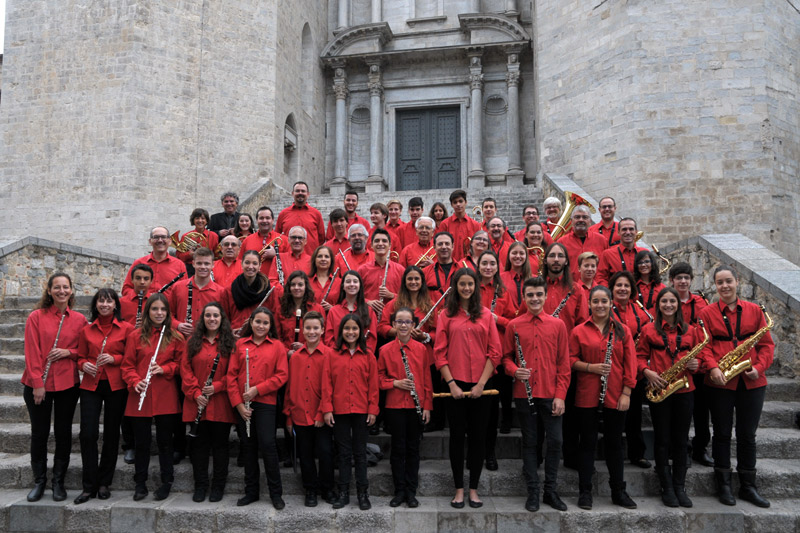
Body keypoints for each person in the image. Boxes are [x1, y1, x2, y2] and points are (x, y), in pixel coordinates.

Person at [699, 266, 774, 508]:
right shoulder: (707, 313)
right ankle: (724, 486)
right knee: (721, 434)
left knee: (747, 436)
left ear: (737, 282)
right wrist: (713, 368)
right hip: (721, 380)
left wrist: (759, 368)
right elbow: (704, 346)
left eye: (728, 281)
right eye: (720, 282)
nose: (725, 286)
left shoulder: (754, 311)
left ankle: (748, 487)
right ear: (715, 285)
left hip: (752, 381)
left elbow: (766, 345)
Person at [433, 268, 502, 509]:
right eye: (462, 284)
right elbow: (439, 353)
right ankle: (458, 489)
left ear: (475, 286)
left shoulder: (485, 314)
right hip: (455, 384)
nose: (466, 288)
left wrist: (481, 384)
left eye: (470, 284)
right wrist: (451, 383)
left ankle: (474, 489)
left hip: (482, 385)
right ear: (455, 286)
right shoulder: (445, 315)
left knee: (478, 437)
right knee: (456, 438)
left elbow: (495, 352)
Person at [502, 277, 570, 512]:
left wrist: (560, 395)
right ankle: (533, 492)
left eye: (539, 294)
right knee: (530, 443)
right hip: (524, 393)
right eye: (530, 295)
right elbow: (506, 357)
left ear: (544, 295)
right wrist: (513, 370)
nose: (534, 299)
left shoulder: (558, 325)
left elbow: (563, 364)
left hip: (551, 393)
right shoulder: (514, 325)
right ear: (524, 297)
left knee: (556, 441)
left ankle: (550, 491)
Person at [570, 285, 638, 510]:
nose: (600, 305)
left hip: (616, 395)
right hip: (587, 396)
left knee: (615, 445)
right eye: (595, 301)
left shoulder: (622, 330)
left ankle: (618, 491)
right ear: (589, 304)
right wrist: (591, 367)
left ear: (611, 303)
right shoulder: (579, 331)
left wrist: (627, 392)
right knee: (587, 443)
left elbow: (631, 364)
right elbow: (570, 360)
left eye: (604, 301)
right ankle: (585, 491)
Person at [22, 273, 87, 502]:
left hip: (68, 384)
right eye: (57, 287)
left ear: (71, 290)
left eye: (65, 287)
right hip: (38, 384)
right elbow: (32, 352)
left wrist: (69, 352)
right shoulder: (36, 317)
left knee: (63, 434)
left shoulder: (79, 320)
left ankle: (58, 482)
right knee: (39, 434)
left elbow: (86, 351)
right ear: (49, 291)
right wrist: (38, 384)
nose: (62, 291)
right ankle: (39, 481)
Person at [638, 288, 701, 508]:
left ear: (678, 304)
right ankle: (666, 486)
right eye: (664, 301)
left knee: (681, 440)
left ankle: (679, 486)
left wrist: (696, 364)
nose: (668, 304)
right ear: (658, 305)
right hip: (661, 390)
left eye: (672, 301)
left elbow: (700, 356)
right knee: (662, 439)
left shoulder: (691, 331)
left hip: (685, 390)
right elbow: (639, 356)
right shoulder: (648, 330)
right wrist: (647, 372)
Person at [121, 293, 183, 501]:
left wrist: (164, 369)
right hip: (141, 394)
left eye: (163, 309)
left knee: (166, 442)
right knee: (142, 443)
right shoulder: (135, 335)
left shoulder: (175, 337)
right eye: (155, 309)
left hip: (165, 394)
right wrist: (134, 381)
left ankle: (167, 482)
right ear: (148, 312)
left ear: (168, 313)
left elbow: (180, 365)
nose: (159, 313)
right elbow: (127, 365)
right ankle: (140, 484)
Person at [74, 288, 134, 504]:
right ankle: (88, 485)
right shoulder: (86, 329)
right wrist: (84, 364)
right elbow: (79, 357)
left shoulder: (126, 328)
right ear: (95, 305)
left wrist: (114, 358)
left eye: (109, 301)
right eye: (101, 301)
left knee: (111, 434)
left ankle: (103, 483)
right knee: (87, 434)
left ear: (116, 305)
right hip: (91, 385)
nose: (105, 305)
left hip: (116, 385)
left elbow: (130, 356)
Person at [226, 306, 289, 509]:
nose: (261, 326)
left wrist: (257, 390)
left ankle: (276, 494)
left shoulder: (278, 346)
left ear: (270, 326)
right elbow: (231, 377)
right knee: (249, 448)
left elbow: (281, 376)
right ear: (251, 323)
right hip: (243, 405)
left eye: (265, 322)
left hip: (266, 404)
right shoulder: (240, 344)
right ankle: (251, 491)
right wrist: (238, 405)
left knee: (268, 447)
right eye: (258, 321)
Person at [322, 314, 380, 510]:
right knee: (344, 453)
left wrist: (373, 409)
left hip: (362, 410)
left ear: (361, 332)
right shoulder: (332, 354)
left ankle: (363, 493)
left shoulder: (369, 355)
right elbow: (327, 383)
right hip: (339, 410)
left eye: (355, 328)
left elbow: (373, 385)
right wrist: (327, 408)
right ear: (341, 332)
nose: (351, 332)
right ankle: (344, 492)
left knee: (360, 454)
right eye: (347, 328)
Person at [377, 307, 433, 508]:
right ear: (393, 325)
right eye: (399, 321)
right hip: (394, 406)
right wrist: (395, 383)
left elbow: (427, 379)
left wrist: (427, 406)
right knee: (398, 449)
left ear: (413, 325)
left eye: (407, 322)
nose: (403, 325)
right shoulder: (384, 351)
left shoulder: (421, 350)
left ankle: (411, 491)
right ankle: (399, 490)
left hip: (416, 407)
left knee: (413, 449)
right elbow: (378, 378)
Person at [181, 302, 236, 503]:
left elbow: (234, 372)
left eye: (216, 315)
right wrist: (196, 393)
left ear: (222, 319)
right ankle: (201, 485)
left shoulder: (229, 343)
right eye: (208, 315)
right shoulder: (191, 342)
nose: (212, 319)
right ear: (202, 319)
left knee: (221, 446)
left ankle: (218, 486)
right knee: (199, 447)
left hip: (220, 402)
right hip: (197, 402)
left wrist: (218, 386)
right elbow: (185, 370)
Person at [283, 311, 336, 507]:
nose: (311, 331)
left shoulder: (330, 355)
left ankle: (328, 488)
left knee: (325, 453)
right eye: (308, 328)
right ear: (302, 330)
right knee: (304, 455)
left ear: (322, 330)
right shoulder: (295, 357)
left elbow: (331, 387)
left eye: (315, 328)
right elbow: (289, 389)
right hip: (299, 414)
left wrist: (322, 412)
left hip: (322, 414)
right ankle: (310, 489)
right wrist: (288, 417)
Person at [669, 262, 712, 467]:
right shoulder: (667, 302)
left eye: (686, 278)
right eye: (679, 278)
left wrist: (701, 361)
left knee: (702, 412)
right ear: (672, 281)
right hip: (676, 367)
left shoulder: (702, 303)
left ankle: (700, 448)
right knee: (679, 413)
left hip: (698, 365)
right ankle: (681, 448)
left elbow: (707, 337)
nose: (683, 281)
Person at [476, 250, 516, 469]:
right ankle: (475, 451)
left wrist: (495, 318)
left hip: (497, 358)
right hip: (474, 356)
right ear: (478, 266)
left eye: (492, 263)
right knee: (476, 411)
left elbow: (512, 322)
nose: (488, 267)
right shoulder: (470, 290)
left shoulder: (503, 292)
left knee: (492, 412)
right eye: (484, 263)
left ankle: (489, 453)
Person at [609, 270, 653, 470]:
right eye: (618, 285)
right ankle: (613, 452)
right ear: (612, 289)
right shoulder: (606, 308)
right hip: (613, 368)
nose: (623, 289)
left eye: (626, 286)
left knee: (634, 415)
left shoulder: (640, 310)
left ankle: (637, 454)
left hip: (634, 369)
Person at [221, 250, 282, 335]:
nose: (250, 266)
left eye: (254, 263)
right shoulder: (229, 290)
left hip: (261, 337)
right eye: (247, 263)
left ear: (260, 266)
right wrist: (229, 334)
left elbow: (275, 318)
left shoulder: (270, 290)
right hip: (237, 337)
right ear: (241, 264)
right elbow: (224, 318)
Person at [170, 247, 224, 339]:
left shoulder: (221, 292)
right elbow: (168, 314)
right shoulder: (177, 287)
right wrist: (178, 325)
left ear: (213, 265)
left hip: (207, 342)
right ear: (193, 263)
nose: (203, 267)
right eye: (199, 263)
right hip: (180, 340)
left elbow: (224, 320)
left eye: (207, 264)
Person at [121, 226, 188, 295]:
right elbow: (126, 289)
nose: (160, 240)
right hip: (144, 305)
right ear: (150, 241)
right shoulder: (139, 263)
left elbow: (184, 292)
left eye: (163, 237)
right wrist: (145, 297)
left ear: (170, 241)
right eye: (156, 237)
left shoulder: (180, 265)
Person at [324, 270, 378, 354]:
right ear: (343, 286)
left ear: (360, 286)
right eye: (348, 281)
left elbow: (372, 338)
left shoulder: (369, 311)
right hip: (338, 357)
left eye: (355, 281)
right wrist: (337, 353)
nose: (352, 284)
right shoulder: (333, 311)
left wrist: (363, 353)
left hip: (362, 357)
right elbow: (329, 338)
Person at [358, 228, 404, 318]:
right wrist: (368, 302)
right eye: (377, 241)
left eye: (384, 241)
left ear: (390, 245)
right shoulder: (362, 270)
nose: (380, 244)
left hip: (393, 318)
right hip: (368, 317)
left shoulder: (401, 270)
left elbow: (409, 298)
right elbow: (354, 296)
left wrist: (391, 295)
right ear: (371, 245)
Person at [275, 271, 325, 354]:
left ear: (306, 287)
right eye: (293, 285)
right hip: (286, 357)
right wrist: (287, 352)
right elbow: (277, 337)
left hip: (311, 355)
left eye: (300, 285)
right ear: (289, 287)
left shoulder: (317, 309)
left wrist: (306, 348)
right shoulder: (280, 310)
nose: (296, 287)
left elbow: (322, 337)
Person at [558, 205, 608, 279]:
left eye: (585, 217)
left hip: (596, 287)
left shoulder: (602, 240)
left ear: (590, 221)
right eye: (577, 217)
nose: (581, 220)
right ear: (571, 221)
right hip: (571, 287)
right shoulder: (562, 242)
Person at [275, 181, 325, 253]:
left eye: (303, 191)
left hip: (310, 259)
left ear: (308, 194)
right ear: (293, 193)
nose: (300, 193)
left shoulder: (316, 214)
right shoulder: (283, 214)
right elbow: (278, 236)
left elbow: (321, 238)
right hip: (288, 258)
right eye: (297, 191)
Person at [240, 206, 289, 276]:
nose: (264, 221)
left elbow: (291, 262)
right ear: (257, 220)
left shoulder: (284, 240)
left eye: (267, 218)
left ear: (273, 220)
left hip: (276, 282)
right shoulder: (247, 240)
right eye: (261, 218)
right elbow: (240, 262)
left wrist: (276, 255)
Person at [595, 218, 644, 287]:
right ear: (618, 232)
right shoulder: (607, 254)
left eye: (631, 229)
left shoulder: (644, 253)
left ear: (636, 232)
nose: (628, 232)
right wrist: (610, 293)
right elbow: (600, 278)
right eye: (624, 229)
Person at [438, 189, 480, 263]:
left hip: (470, 264)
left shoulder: (475, 225)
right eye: (455, 202)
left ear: (465, 202)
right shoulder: (444, 224)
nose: (458, 204)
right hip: (450, 264)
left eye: (460, 201)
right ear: (451, 205)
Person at [176, 208, 220, 275]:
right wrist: (189, 254)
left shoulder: (213, 236)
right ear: (193, 220)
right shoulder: (186, 236)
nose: (200, 221)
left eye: (203, 218)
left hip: (208, 267)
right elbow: (179, 256)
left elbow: (216, 255)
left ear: (206, 221)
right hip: (190, 268)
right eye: (197, 218)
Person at [502, 241, 535, 312]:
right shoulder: (500, 278)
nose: (518, 256)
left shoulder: (534, 279)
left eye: (522, 253)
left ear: (526, 256)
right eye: (514, 253)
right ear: (508, 255)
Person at [309, 245, 341, 312]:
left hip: (332, 320)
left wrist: (333, 308)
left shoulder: (339, 282)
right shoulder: (307, 281)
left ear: (331, 260)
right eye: (320, 256)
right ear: (314, 260)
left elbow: (343, 307)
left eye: (326, 257)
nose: (323, 259)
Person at [634, 249, 665, 314]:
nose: (643, 265)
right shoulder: (632, 287)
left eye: (647, 262)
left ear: (652, 263)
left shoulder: (662, 288)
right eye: (640, 263)